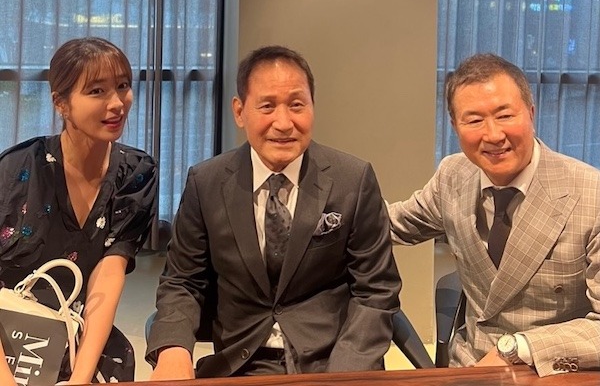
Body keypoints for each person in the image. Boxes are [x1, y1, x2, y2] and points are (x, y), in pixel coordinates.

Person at [146, 45, 400, 379]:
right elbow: (183, 281)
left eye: (297, 105)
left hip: (329, 362)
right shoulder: (206, 183)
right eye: (267, 106)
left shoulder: (352, 179)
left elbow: (376, 290)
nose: (283, 123)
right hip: (240, 364)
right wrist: (173, 350)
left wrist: (344, 373)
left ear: (312, 106)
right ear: (240, 112)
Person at [388, 53, 600, 377]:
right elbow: (389, 224)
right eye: (474, 121)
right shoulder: (453, 176)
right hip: (469, 366)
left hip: (551, 371)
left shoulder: (591, 194)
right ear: (455, 126)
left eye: (505, 115)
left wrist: (518, 349)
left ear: (531, 113)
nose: (493, 135)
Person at [0, 37, 157, 384]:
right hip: (6, 331)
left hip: (77, 332)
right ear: (61, 103)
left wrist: (81, 377)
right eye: (97, 91)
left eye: (123, 86)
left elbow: (109, 273)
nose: (116, 103)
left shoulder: (136, 172)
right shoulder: (16, 170)